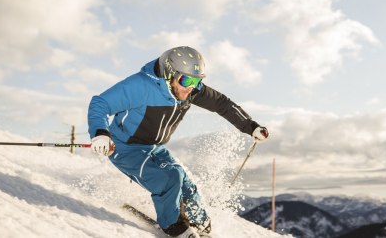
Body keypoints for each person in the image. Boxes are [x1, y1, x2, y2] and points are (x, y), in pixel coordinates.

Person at [87, 46, 269, 237]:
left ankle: (202, 225)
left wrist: (251, 126)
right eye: (186, 80)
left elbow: (222, 104)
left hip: (154, 147)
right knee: (170, 178)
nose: (191, 86)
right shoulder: (140, 86)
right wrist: (100, 133)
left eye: (197, 81)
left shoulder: (191, 90)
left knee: (187, 185)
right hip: (125, 147)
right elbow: (100, 103)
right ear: (169, 73)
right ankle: (174, 227)